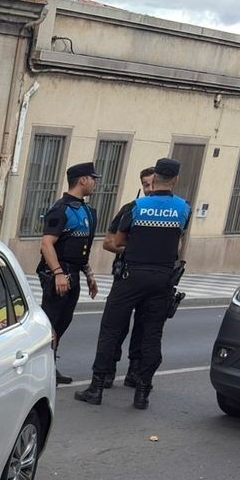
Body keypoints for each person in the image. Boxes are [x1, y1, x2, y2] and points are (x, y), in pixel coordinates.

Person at [75, 158, 190, 410]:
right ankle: (142, 393)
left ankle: (96, 387)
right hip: (162, 279)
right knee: (152, 334)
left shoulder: (136, 206)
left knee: (111, 329)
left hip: (131, 276)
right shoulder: (183, 208)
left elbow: (118, 239)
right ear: (176, 180)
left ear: (155, 177)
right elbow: (179, 238)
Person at [36, 162, 100, 384]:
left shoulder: (85, 211)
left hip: (74, 273)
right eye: (93, 178)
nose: (95, 183)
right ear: (82, 180)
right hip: (59, 275)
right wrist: (58, 273)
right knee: (50, 323)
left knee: (63, 322)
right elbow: (46, 244)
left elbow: (80, 249)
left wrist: (89, 274)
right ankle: (41, 369)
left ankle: (50, 364)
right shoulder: (61, 209)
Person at [103, 167, 158, 387]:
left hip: (154, 279)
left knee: (145, 328)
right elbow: (109, 242)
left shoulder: (172, 211)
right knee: (116, 325)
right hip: (126, 275)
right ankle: (106, 372)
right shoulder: (131, 208)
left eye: (153, 183)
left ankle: (135, 371)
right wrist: (133, 252)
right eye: (145, 184)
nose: (149, 189)